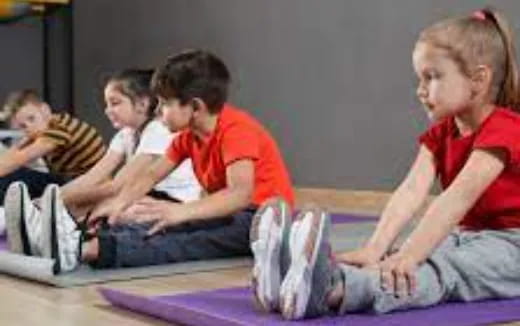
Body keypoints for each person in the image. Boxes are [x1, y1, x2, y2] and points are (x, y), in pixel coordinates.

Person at [251, 7, 520, 320]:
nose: (420, 90)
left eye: (431, 77)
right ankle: (286, 279)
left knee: (434, 269)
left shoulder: (507, 129)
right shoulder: (439, 135)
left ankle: (330, 290)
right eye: (419, 78)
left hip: (512, 246)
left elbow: (456, 199)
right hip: (467, 236)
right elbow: (410, 192)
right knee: (399, 258)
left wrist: (411, 256)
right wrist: (375, 248)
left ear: (479, 79)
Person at [9, 50, 294, 274]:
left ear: (195, 107)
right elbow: (148, 176)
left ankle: (82, 251)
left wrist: (181, 213)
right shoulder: (187, 137)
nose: (159, 111)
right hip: (229, 213)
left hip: (261, 222)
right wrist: (116, 206)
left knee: (184, 239)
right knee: (157, 220)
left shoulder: (236, 130)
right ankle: (69, 241)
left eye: (166, 104)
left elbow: (240, 195)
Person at [0, 89, 106, 201]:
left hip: (83, 185)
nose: (30, 127)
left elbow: (22, 157)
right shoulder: (51, 124)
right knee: (13, 174)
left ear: (45, 110)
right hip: (73, 182)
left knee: (12, 177)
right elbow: (14, 153)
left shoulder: (58, 130)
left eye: (32, 119)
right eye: (23, 126)